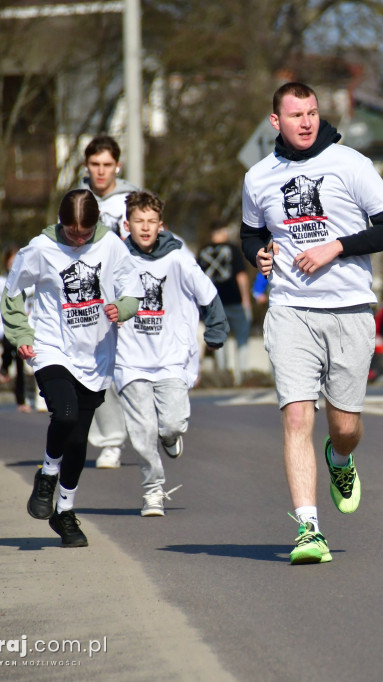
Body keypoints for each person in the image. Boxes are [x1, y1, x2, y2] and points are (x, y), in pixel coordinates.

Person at [241, 81, 383, 564]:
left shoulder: (350, 164)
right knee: (297, 416)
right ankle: (308, 530)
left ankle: (340, 457)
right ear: (276, 121)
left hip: (350, 309)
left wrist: (336, 246)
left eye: (312, 112)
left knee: (345, 426)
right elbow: (250, 234)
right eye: (296, 115)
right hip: (291, 310)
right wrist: (259, 256)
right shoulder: (258, 177)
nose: (307, 122)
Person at [1, 188, 140, 548]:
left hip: (96, 354)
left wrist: (123, 307)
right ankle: (47, 475)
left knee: (78, 439)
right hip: (52, 347)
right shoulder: (40, 248)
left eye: (85, 233)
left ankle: (64, 512)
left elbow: (132, 289)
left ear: (96, 225)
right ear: (60, 222)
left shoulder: (110, 245)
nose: (78, 240)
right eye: (71, 232)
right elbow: (13, 293)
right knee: (64, 415)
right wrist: (21, 333)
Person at [115, 191, 229, 516]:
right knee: (142, 431)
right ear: (127, 225)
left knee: (171, 424)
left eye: (151, 221)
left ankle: (170, 437)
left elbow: (208, 294)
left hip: (172, 357)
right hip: (130, 358)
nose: (145, 227)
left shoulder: (178, 258)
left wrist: (216, 329)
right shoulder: (115, 260)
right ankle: (152, 491)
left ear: (161, 225)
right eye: (139, 221)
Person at [76, 134, 140, 468]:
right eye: (95, 164)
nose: (101, 171)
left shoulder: (131, 198)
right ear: (86, 166)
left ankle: (161, 422)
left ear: (118, 166)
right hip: (91, 297)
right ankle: (111, 441)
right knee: (98, 370)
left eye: (107, 164)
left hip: (129, 294)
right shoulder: (76, 199)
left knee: (136, 368)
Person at [197, 221, 251, 382]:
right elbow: (241, 276)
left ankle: (223, 375)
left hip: (212, 302)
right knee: (242, 338)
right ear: (222, 231)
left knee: (219, 338)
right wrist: (246, 299)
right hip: (234, 299)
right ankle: (242, 375)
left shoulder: (203, 251)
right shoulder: (232, 249)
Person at [0, 246, 30, 412]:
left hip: (23, 326)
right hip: (4, 325)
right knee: (10, 344)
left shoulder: (28, 281)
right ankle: (5, 364)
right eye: (11, 262)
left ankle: (21, 400)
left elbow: (33, 301)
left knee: (20, 364)